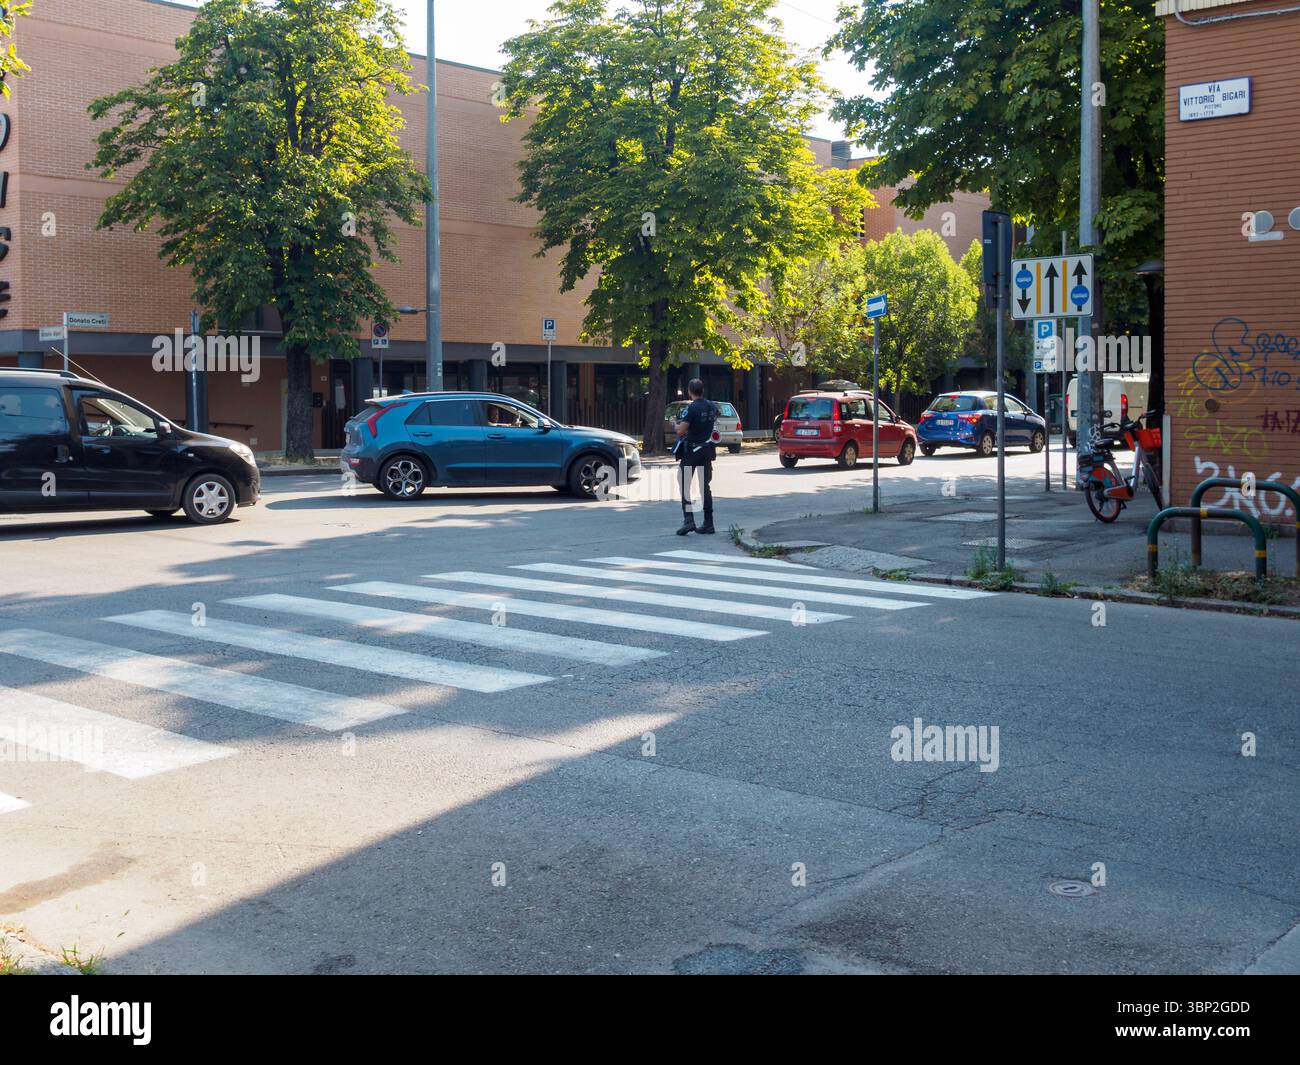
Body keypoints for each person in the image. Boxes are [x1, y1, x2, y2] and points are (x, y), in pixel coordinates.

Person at [673, 378, 717, 535]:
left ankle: (689, 520)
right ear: (702, 390)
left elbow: (681, 431)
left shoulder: (691, 409)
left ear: (689, 391)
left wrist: (675, 424)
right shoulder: (711, 406)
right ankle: (708, 523)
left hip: (692, 451)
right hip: (707, 450)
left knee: (684, 484)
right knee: (705, 487)